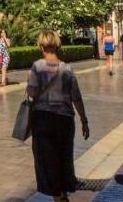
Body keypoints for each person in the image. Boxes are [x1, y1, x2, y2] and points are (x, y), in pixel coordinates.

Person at [27, 30, 89, 202]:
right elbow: (76, 96)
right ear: (57, 45)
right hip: (65, 120)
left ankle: (59, 197)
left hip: (43, 119)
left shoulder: (37, 66)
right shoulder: (66, 68)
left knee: (48, 161)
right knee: (63, 158)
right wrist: (84, 120)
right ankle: (62, 196)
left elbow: (31, 92)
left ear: (41, 46)